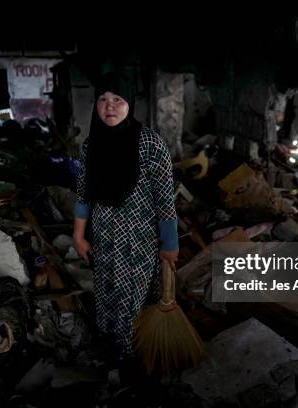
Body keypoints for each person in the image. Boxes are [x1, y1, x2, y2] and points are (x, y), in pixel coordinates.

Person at [73, 72, 179, 368]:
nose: (109, 106)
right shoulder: (90, 146)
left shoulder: (149, 144)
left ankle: (130, 358)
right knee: (106, 294)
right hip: (103, 239)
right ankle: (112, 350)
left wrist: (169, 244)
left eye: (117, 99)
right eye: (103, 99)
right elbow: (83, 195)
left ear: (130, 103)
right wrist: (79, 236)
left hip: (138, 242)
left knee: (131, 298)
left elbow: (165, 200)